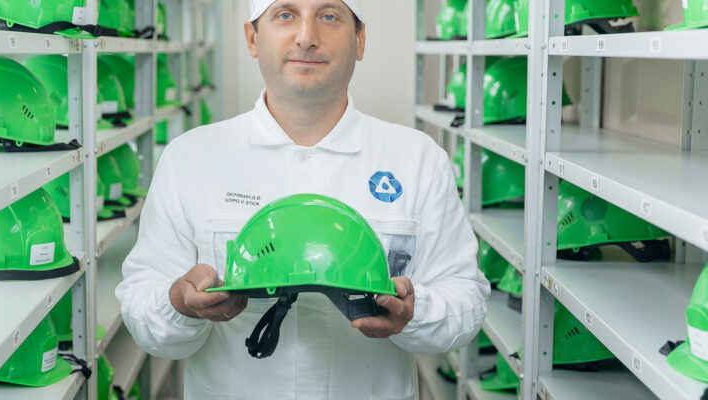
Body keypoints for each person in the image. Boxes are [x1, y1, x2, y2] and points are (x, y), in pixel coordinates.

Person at [115, 0, 490, 398]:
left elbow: (465, 301)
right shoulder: (190, 157)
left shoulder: (417, 159)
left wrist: (415, 312)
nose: (307, 37)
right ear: (252, 38)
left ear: (360, 40)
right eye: (285, 15)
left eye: (329, 16)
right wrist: (178, 303)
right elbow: (143, 311)